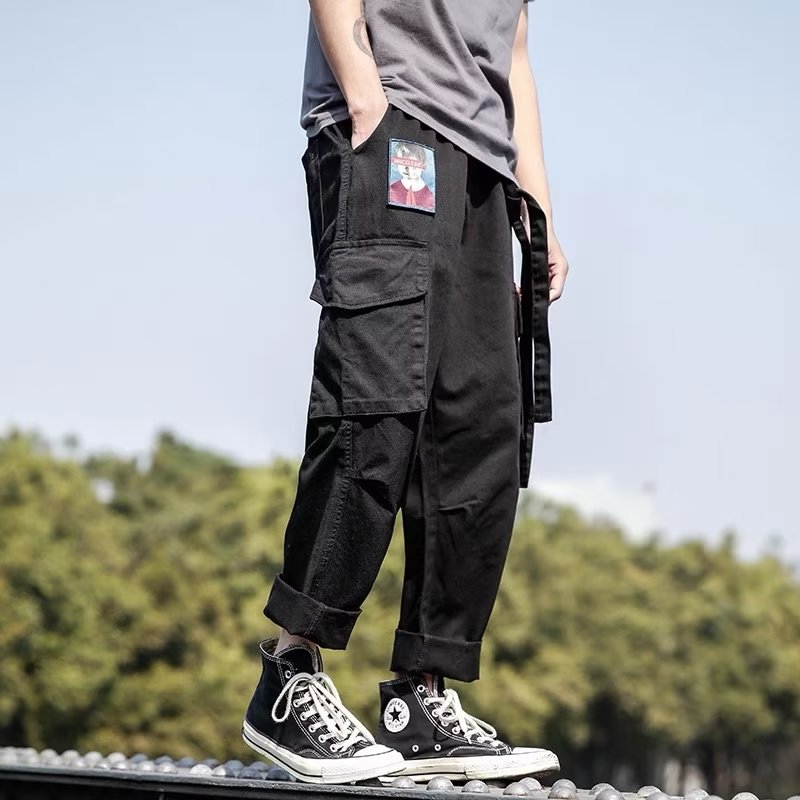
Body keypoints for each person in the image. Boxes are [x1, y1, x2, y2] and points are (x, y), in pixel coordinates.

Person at [243, 0, 569, 786]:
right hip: (393, 126)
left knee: (479, 428)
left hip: (486, 167)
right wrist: (366, 103)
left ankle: (421, 695)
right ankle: (290, 671)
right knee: (375, 404)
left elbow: (513, 50)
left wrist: (538, 204)